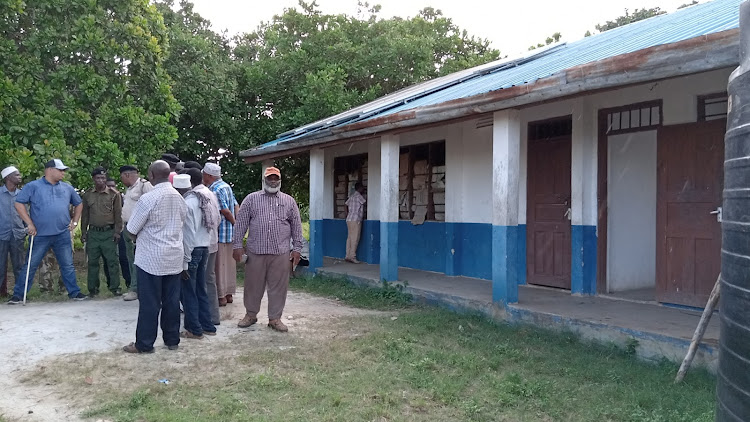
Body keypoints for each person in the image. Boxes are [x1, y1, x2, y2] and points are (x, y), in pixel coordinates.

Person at [122, 160, 186, 353]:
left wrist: (136, 237)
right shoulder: (179, 197)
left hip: (150, 258)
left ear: (151, 175)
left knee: (149, 303)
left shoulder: (148, 198)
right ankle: (172, 340)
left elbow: (132, 229)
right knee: (171, 302)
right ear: (168, 174)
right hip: (174, 257)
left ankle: (144, 344)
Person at [233, 167, 303, 332]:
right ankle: (250, 315)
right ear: (264, 180)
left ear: (279, 180)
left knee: (279, 287)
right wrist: (237, 245)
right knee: (252, 285)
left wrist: (297, 248)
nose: (273, 181)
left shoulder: (289, 201)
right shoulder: (251, 199)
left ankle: (275, 318)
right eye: (270, 178)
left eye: (275, 178)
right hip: (255, 251)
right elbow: (241, 223)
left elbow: (297, 227)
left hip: (280, 252)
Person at [8, 159, 87, 303]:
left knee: (67, 265)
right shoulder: (33, 186)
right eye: (60, 170)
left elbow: (79, 203)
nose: (63, 173)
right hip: (39, 234)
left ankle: (74, 293)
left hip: (62, 233)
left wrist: (75, 221)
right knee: (31, 265)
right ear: (50, 170)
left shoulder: (67, 187)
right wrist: (29, 224)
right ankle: (18, 295)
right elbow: (19, 203)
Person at [174, 170, 219, 339]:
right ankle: (207, 325)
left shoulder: (187, 203)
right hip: (204, 247)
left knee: (188, 291)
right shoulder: (205, 198)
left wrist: (185, 262)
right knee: (201, 288)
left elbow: (187, 234)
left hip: (192, 250)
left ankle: (194, 329)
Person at [81, 167, 123, 296]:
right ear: (93, 179)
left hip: (108, 232)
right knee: (92, 262)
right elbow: (85, 215)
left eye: (103, 178)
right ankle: (93, 289)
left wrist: (117, 232)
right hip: (93, 233)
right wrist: (83, 232)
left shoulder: (114, 194)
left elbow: (118, 215)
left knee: (112, 262)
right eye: (98, 178)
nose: (101, 180)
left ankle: (115, 287)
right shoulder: (88, 194)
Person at [202, 163, 238, 307]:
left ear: (209, 176)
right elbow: (235, 205)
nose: (203, 176)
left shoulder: (214, 189)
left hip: (220, 233)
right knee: (229, 265)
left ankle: (221, 296)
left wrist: (234, 222)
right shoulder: (226, 186)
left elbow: (224, 210)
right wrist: (237, 226)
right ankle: (229, 294)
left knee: (219, 266)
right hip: (230, 233)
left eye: (204, 174)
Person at [190, 167, 222, 325]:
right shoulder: (211, 193)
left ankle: (203, 319)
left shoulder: (196, 196)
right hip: (211, 241)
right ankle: (212, 317)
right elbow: (218, 219)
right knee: (208, 279)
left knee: (198, 281)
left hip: (201, 244)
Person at [120, 165, 153, 301]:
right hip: (129, 228)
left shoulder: (144, 186)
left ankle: (135, 289)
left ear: (127, 175)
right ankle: (135, 287)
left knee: (138, 259)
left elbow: (151, 206)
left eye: (121, 176)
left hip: (140, 229)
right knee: (131, 258)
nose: (121, 180)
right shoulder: (130, 189)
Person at [0, 166, 26, 298]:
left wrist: (26, 229)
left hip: (18, 235)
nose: (20, 177)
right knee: (0, 265)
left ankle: (20, 293)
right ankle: (1, 293)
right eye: (17, 174)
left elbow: (27, 214)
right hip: (1, 235)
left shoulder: (22, 194)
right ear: (8, 177)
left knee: (19, 266)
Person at [102, 178, 131, 289]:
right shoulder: (102, 199)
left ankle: (129, 281)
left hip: (120, 230)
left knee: (124, 257)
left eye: (113, 186)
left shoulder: (121, 198)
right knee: (108, 258)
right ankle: (111, 284)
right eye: (109, 186)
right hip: (107, 231)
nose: (112, 188)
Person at [344, 182, 366, 263]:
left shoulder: (352, 196)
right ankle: (352, 257)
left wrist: (347, 214)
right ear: (359, 188)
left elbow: (345, 204)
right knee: (355, 238)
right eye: (362, 188)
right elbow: (364, 203)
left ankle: (347, 255)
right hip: (356, 220)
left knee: (349, 238)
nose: (363, 189)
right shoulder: (359, 197)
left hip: (349, 219)